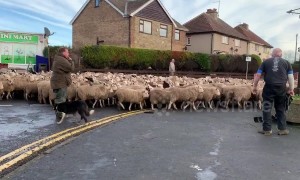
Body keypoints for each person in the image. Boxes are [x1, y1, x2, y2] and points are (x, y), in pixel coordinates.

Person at [253, 48, 294, 136]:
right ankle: (282, 129)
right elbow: (291, 77)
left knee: (267, 107)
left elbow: (258, 75)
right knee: (280, 108)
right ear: (281, 55)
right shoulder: (287, 63)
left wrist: (254, 87)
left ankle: (267, 130)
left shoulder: (265, 62)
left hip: (269, 87)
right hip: (281, 88)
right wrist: (291, 89)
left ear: (272, 54)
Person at [50, 47, 74, 124]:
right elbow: (70, 68)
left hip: (58, 82)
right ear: (63, 52)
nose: (68, 54)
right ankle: (60, 114)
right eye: (67, 52)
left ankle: (59, 113)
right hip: (61, 82)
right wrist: (70, 60)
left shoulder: (58, 59)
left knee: (59, 98)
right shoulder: (61, 60)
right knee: (61, 99)